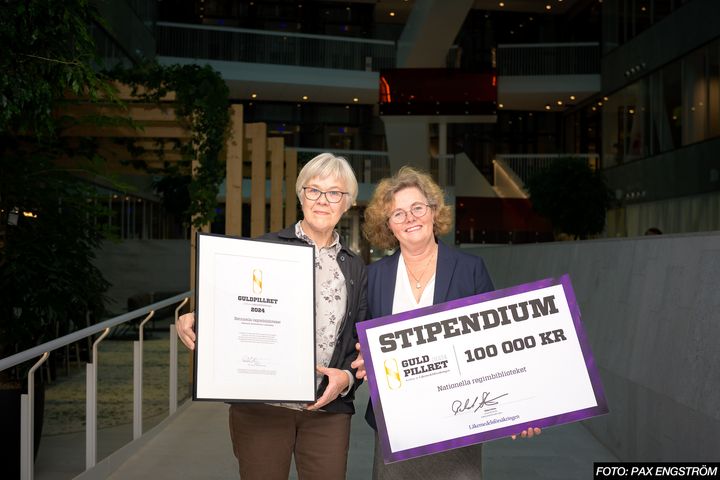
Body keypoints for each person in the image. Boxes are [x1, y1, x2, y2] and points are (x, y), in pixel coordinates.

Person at [176, 153, 367, 480]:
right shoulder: (263, 249)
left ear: (347, 203)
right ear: (300, 195)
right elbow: (235, 305)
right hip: (262, 407)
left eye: (334, 192)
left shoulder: (355, 267)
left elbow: (359, 341)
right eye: (314, 190)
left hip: (328, 409)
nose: (323, 200)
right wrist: (198, 316)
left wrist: (347, 379)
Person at [351, 166, 540, 479]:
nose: (409, 218)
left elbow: (499, 346)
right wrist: (361, 360)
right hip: (396, 430)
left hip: (459, 429)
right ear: (389, 225)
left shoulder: (470, 269)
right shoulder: (375, 277)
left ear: (433, 212)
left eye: (417, 208)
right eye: (398, 213)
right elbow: (363, 345)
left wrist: (519, 408)